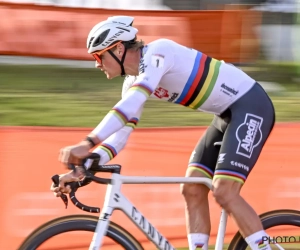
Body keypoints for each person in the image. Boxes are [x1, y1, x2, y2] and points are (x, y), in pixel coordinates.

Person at [51, 16, 275, 250]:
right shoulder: (131, 82)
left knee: (224, 193)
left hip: (250, 106)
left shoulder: (159, 53)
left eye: (98, 56)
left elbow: (133, 102)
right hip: (226, 115)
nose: (96, 63)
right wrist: (82, 168)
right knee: (191, 188)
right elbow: (120, 134)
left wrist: (87, 143)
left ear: (118, 48)